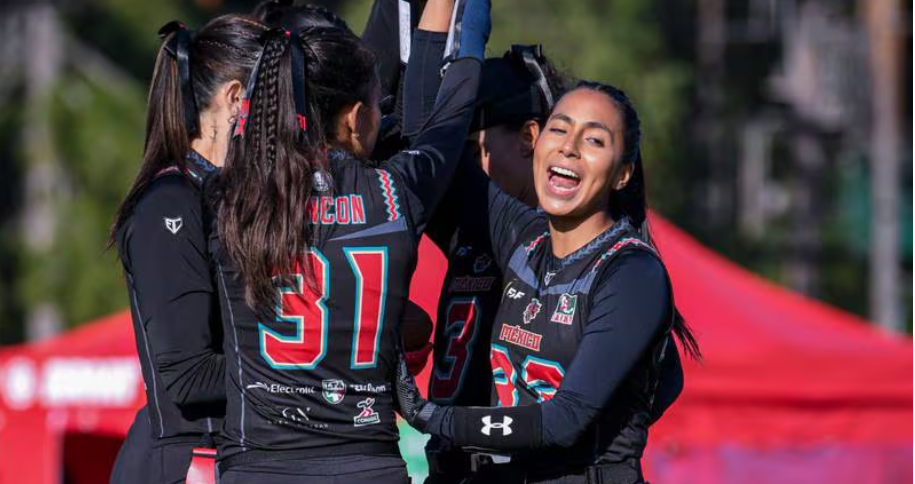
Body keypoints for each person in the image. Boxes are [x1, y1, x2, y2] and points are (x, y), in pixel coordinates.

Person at [208, 0, 489, 482]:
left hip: (259, 466)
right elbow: (452, 109)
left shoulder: (230, 192)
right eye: (379, 106)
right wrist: (474, 18)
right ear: (356, 118)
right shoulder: (395, 190)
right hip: (367, 466)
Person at [398, 82, 700, 484]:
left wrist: (430, 416)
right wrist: (462, 38)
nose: (569, 147)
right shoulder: (522, 237)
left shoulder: (633, 272)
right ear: (537, 141)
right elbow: (428, 137)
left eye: (594, 139)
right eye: (559, 129)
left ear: (622, 174)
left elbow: (564, 420)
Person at [108, 15, 269, 484]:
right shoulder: (170, 203)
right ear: (235, 99)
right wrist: (310, 365)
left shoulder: (230, 197)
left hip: (233, 455)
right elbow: (188, 376)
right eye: (276, 101)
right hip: (183, 462)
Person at [417, 44, 568, 482]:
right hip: (449, 467)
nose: (467, 168)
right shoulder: (468, 226)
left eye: (476, 149)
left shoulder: (565, 246)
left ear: (529, 137)